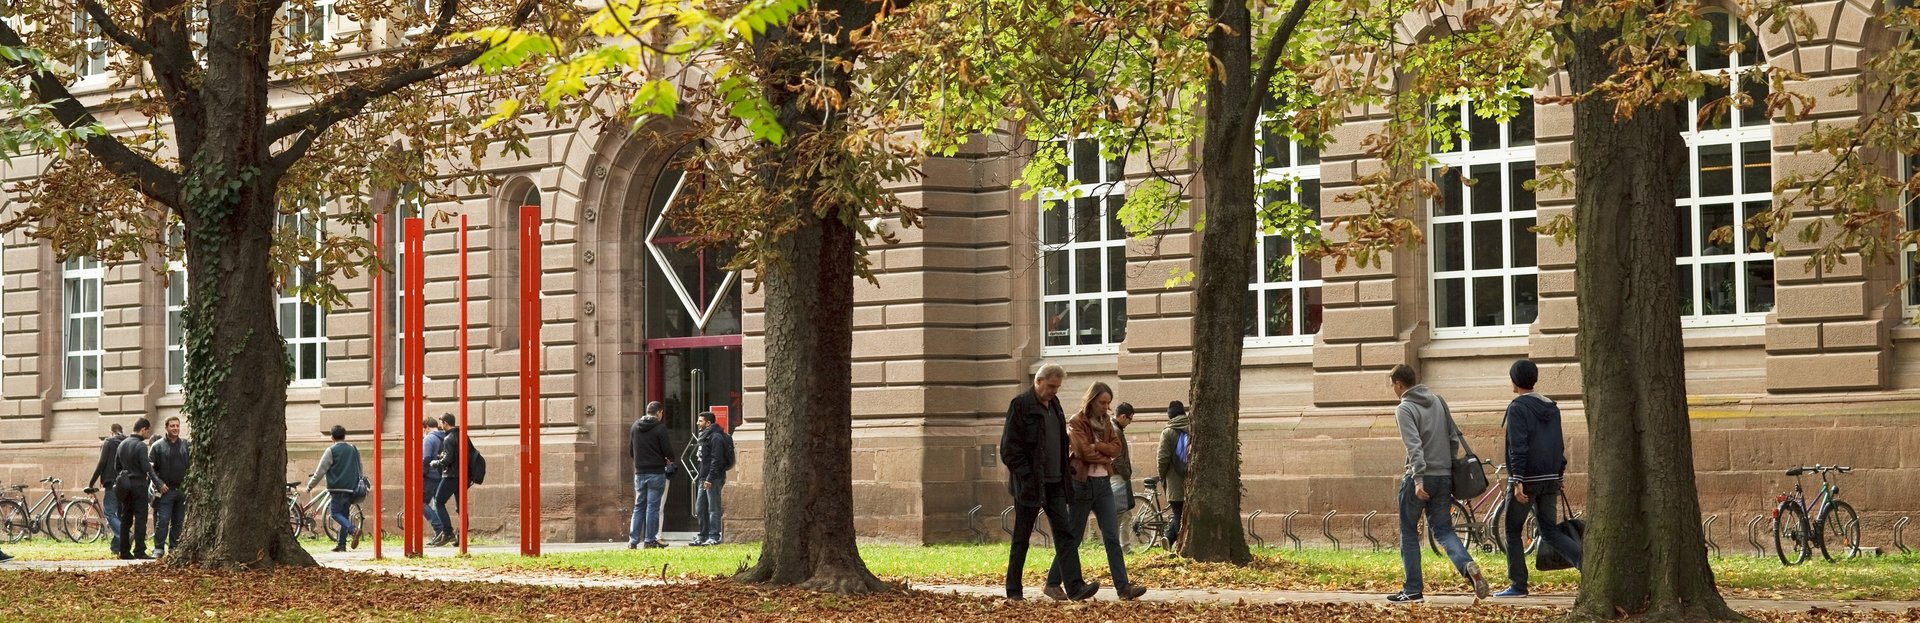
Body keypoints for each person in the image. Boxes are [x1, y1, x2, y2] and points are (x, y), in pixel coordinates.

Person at [1387, 364, 1489, 603]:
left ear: (1399, 384)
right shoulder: (1438, 401)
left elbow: (1414, 447)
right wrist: (1446, 468)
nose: (1393, 389)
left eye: (1392, 385)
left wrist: (1418, 479)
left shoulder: (1404, 408)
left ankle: (1413, 590)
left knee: (1409, 531)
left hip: (1420, 478)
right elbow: (1453, 439)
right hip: (1444, 476)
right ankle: (1467, 565)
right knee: (1444, 530)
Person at [1000, 363, 1098, 602]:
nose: (1054, 391)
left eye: (1057, 387)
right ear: (1038, 381)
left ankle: (1075, 587)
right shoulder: (1021, 405)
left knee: (1065, 535)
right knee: (1021, 538)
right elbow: (1009, 449)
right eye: (1051, 386)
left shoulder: (1055, 405)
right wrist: (1027, 475)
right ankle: (1014, 590)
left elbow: (1060, 442)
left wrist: (1066, 468)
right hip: (1030, 485)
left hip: (1055, 483)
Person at [1044, 383, 1146, 601]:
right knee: (1073, 537)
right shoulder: (1076, 421)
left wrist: (1098, 447)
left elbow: (1116, 449)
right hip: (1082, 484)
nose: (1106, 407)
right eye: (1102, 402)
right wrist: (1104, 453)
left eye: (1108, 403)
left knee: (1111, 536)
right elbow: (1082, 452)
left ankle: (1123, 588)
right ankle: (1052, 583)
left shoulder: (1107, 422)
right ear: (1091, 400)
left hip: (1103, 485)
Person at [1495, 359, 1581, 597]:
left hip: (1527, 480)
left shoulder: (1517, 408)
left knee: (1512, 530)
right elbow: (1558, 444)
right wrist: (1559, 473)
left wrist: (1517, 480)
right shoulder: (1552, 407)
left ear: (1515, 380)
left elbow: (1518, 446)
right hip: (1550, 478)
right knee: (1550, 531)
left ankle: (1518, 585)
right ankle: (1587, 565)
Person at [306, 425, 364, 552]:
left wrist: (310, 485)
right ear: (344, 436)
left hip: (337, 488)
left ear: (332, 437)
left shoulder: (331, 451)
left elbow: (320, 471)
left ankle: (353, 530)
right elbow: (360, 467)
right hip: (351, 488)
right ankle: (341, 544)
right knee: (344, 515)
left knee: (335, 513)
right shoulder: (353, 449)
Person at [628, 401, 677, 549]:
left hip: (640, 472)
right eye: (661, 413)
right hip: (656, 472)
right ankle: (649, 540)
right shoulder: (660, 428)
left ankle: (633, 541)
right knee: (653, 507)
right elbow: (668, 451)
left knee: (639, 506)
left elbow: (631, 451)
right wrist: (669, 459)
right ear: (659, 413)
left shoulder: (635, 426)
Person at [112, 418, 157, 560]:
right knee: (140, 518)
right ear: (143, 429)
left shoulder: (122, 444)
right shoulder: (141, 446)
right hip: (139, 485)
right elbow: (146, 467)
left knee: (126, 518)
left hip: (125, 486)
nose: (148, 434)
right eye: (147, 431)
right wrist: (156, 480)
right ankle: (139, 550)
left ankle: (124, 551)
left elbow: (117, 467)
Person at [148, 416, 191, 560]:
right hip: (166, 491)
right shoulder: (157, 446)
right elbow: (150, 469)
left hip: (182, 490)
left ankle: (174, 548)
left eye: (177, 425)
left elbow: (192, 465)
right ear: (166, 427)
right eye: (172, 426)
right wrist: (159, 484)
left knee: (178, 522)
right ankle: (159, 548)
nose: (175, 428)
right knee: (163, 521)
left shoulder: (186, 445)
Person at [689, 411, 733, 547]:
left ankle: (714, 536)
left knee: (713, 508)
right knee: (700, 508)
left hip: (713, 478)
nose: (697, 423)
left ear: (708, 423)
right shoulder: (705, 436)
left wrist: (710, 478)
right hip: (704, 477)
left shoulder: (716, 437)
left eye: (700, 421)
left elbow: (716, 460)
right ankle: (703, 536)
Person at [431, 413, 471, 547]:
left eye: (441, 422)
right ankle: (462, 536)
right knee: (461, 507)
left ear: (445, 423)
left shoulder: (449, 437)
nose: (440, 425)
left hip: (451, 476)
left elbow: (448, 460)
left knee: (438, 502)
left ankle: (448, 532)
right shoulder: (462, 435)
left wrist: (436, 463)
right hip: (463, 476)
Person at [88, 423, 127, 557]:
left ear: (111, 432)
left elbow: (101, 463)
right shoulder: (128, 442)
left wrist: (91, 482)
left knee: (109, 513)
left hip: (112, 482)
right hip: (126, 483)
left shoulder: (108, 442)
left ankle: (125, 535)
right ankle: (116, 547)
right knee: (119, 515)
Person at [1156, 400, 1190, 544]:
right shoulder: (1193, 428)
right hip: (1192, 480)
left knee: (1178, 514)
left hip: (1174, 481)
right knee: (1184, 515)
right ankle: (1169, 538)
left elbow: (1162, 458)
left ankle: (1172, 541)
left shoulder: (1168, 432)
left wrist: (1162, 476)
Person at [420, 416, 449, 546]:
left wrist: (421, 474)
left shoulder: (429, 439)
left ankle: (439, 528)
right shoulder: (446, 436)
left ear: (426, 427)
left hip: (430, 476)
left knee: (420, 503)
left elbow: (426, 459)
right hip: (443, 475)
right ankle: (440, 533)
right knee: (437, 504)